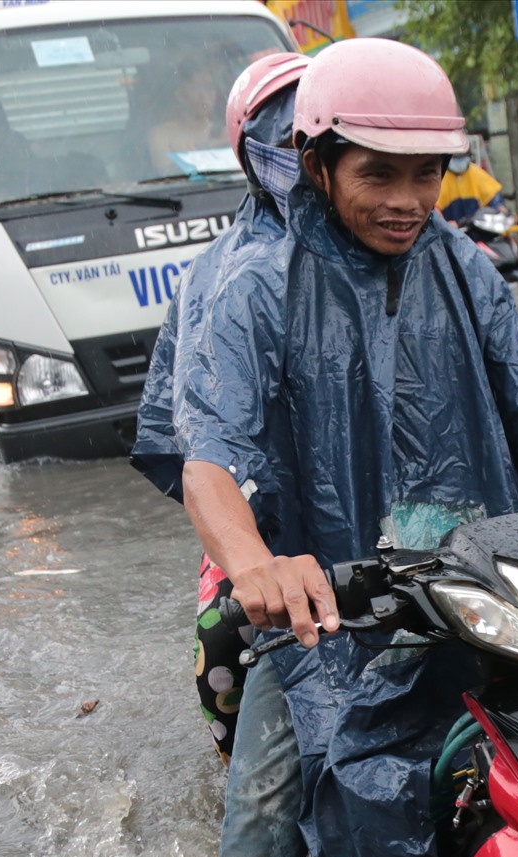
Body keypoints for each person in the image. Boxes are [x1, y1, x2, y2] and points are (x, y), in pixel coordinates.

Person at [170, 38, 518, 857]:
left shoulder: (464, 266)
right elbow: (210, 460)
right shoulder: (253, 287)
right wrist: (258, 566)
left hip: (480, 583)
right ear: (315, 164)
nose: (407, 201)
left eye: (427, 175)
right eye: (378, 175)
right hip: (329, 611)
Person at [132, 48, 312, 762]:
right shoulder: (228, 283)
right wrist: (252, 561)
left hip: (399, 529)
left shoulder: (433, 258)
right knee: (225, 639)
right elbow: (203, 449)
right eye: (293, 143)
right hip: (267, 533)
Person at [437, 153, 506, 226]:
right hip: (451, 230)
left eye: (461, 158)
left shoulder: (476, 172)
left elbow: (493, 196)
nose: (459, 162)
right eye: (455, 158)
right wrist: (444, 225)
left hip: (478, 228)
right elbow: (434, 208)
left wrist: (501, 208)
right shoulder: (441, 177)